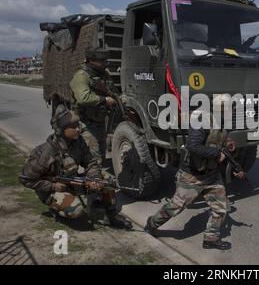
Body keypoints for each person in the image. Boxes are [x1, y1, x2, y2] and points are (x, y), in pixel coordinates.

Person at [144, 94, 246, 250]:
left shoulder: (222, 121)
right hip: (192, 175)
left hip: (211, 175)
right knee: (175, 207)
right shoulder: (202, 120)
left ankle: (210, 239)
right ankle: (152, 224)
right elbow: (193, 146)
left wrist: (228, 143)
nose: (232, 112)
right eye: (229, 109)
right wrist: (217, 154)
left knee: (220, 208)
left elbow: (217, 139)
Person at [20, 105, 132, 229]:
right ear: (61, 129)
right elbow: (25, 179)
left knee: (106, 181)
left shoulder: (79, 142)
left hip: (72, 181)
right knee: (76, 210)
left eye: (78, 125)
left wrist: (94, 178)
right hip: (51, 190)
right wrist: (52, 186)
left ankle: (112, 215)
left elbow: (90, 163)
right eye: (73, 126)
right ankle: (56, 208)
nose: (78, 129)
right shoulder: (45, 153)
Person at [69, 47, 117, 166]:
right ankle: (94, 182)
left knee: (101, 154)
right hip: (86, 123)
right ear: (91, 61)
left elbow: (113, 91)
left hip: (100, 122)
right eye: (102, 61)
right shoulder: (81, 76)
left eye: (106, 60)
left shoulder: (103, 75)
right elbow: (83, 98)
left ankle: (96, 179)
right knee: (94, 161)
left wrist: (119, 99)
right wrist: (104, 100)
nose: (105, 63)